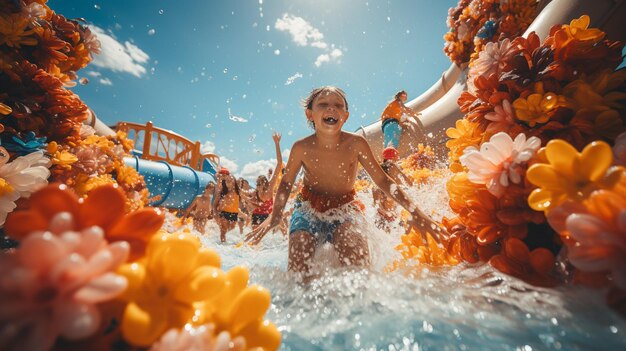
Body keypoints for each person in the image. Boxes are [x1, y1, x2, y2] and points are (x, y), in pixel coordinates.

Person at [245, 86, 445, 274]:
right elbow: (287, 182)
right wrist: (275, 215)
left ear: (346, 116)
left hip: (345, 209)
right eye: (323, 104)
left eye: (338, 105)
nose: (331, 107)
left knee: (358, 265)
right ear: (309, 114)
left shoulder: (356, 144)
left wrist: (416, 212)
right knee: (299, 261)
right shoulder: (302, 147)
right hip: (307, 208)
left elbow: (382, 181)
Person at [250, 132, 283, 229]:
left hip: (267, 216)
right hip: (256, 215)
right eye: (258, 184)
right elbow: (248, 199)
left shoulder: (270, 186)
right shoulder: (255, 192)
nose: (260, 185)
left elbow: (279, 163)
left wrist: (277, 144)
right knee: (254, 238)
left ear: (265, 183)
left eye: (262, 183)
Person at [213, 168, 241, 243]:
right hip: (223, 213)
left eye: (230, 181)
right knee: (223, 231)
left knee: (230, 230)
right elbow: (214, 205)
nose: (229, 183)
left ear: (234, 182)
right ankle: (222, 246)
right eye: (227, 182)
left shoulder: (238, 192)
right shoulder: (221, 192)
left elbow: (248, 199)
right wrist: (215, 214)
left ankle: (223, 244)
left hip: (234, 214)